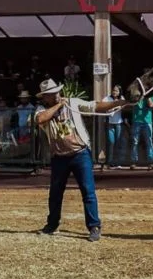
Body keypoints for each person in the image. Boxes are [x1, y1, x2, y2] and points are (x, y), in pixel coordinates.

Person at [34, 78, 123, 241]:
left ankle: (94, 226)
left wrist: (118, 103)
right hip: (59, 157)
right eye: (48, 95)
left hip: (80, 153)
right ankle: (52, 225)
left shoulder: (72, 103)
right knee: (55, 193)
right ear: (44, 98)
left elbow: (93, 106)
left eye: (54, 92)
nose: (53, 95)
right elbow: (40, 119)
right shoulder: (41, 109)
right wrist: (59, 105)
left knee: (88, 192)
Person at [130, 93, 153, 168]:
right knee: (135, 142)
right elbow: (131, 102)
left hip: (147, 121)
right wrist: (138, 96)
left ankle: (150, 161)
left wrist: (147, 96)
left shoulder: (152, 94)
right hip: (136, 120)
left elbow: (151, 105)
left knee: (149, 141)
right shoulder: (136, 93)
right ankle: (134, 161)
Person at [104, 85, 126, 168]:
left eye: (116, 91)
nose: (114, 92)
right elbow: (103, 105)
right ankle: (110, 162)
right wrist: (110, 107)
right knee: (111, 141)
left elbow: (124, 106)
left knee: (118, 142)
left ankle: (118, 162)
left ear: (119, 92)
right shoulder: (107, 98)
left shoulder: (122, 98)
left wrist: (118, 106)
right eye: (113, 90)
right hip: (109, 123)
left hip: (118, 123)